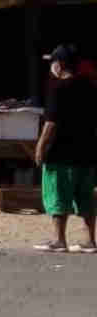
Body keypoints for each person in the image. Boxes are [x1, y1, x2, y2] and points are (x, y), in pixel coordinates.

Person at [33, 44, 97, 253]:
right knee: (86, 197)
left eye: (52, 62)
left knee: (57, 195)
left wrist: (40, 147)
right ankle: (90, 241)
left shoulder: (58, 88)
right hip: (87, 153)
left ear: (59, 65)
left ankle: (59, 240)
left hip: (60, 154)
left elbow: (51, 124)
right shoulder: (90, 87)